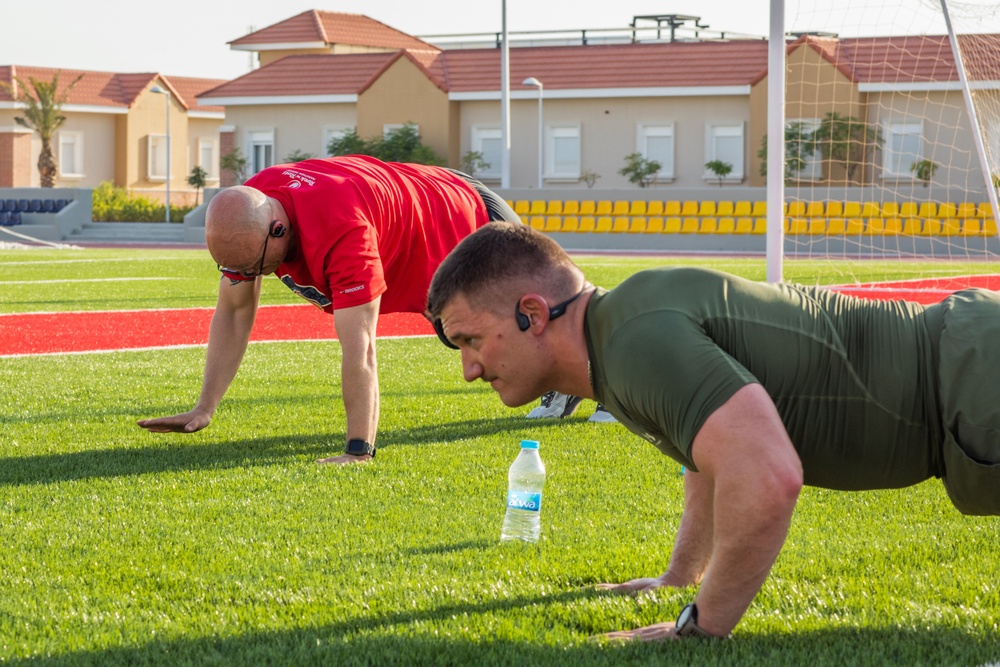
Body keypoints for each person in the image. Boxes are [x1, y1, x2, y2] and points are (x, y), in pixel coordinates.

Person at [425, 221, 1000, 639]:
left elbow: (768, 476)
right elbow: (710, 451)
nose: (469, 369)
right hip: (969, 371)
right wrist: (682, 575)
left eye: (471, 340)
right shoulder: (617, 335)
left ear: (533, 312)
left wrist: (699, 628)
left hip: (977, 374)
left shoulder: (635, 341)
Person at [137, 155, 519, 464]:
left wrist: (358, 450)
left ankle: (570, 379)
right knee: (457, 330)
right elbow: (235, 312)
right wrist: (204, 407)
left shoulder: (343, 233)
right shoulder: (249, 206)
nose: (251, 277)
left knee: (490, 335)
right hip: (420, 203)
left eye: (255, 266)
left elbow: (362, 349)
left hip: (470, 214)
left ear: (278, 230)